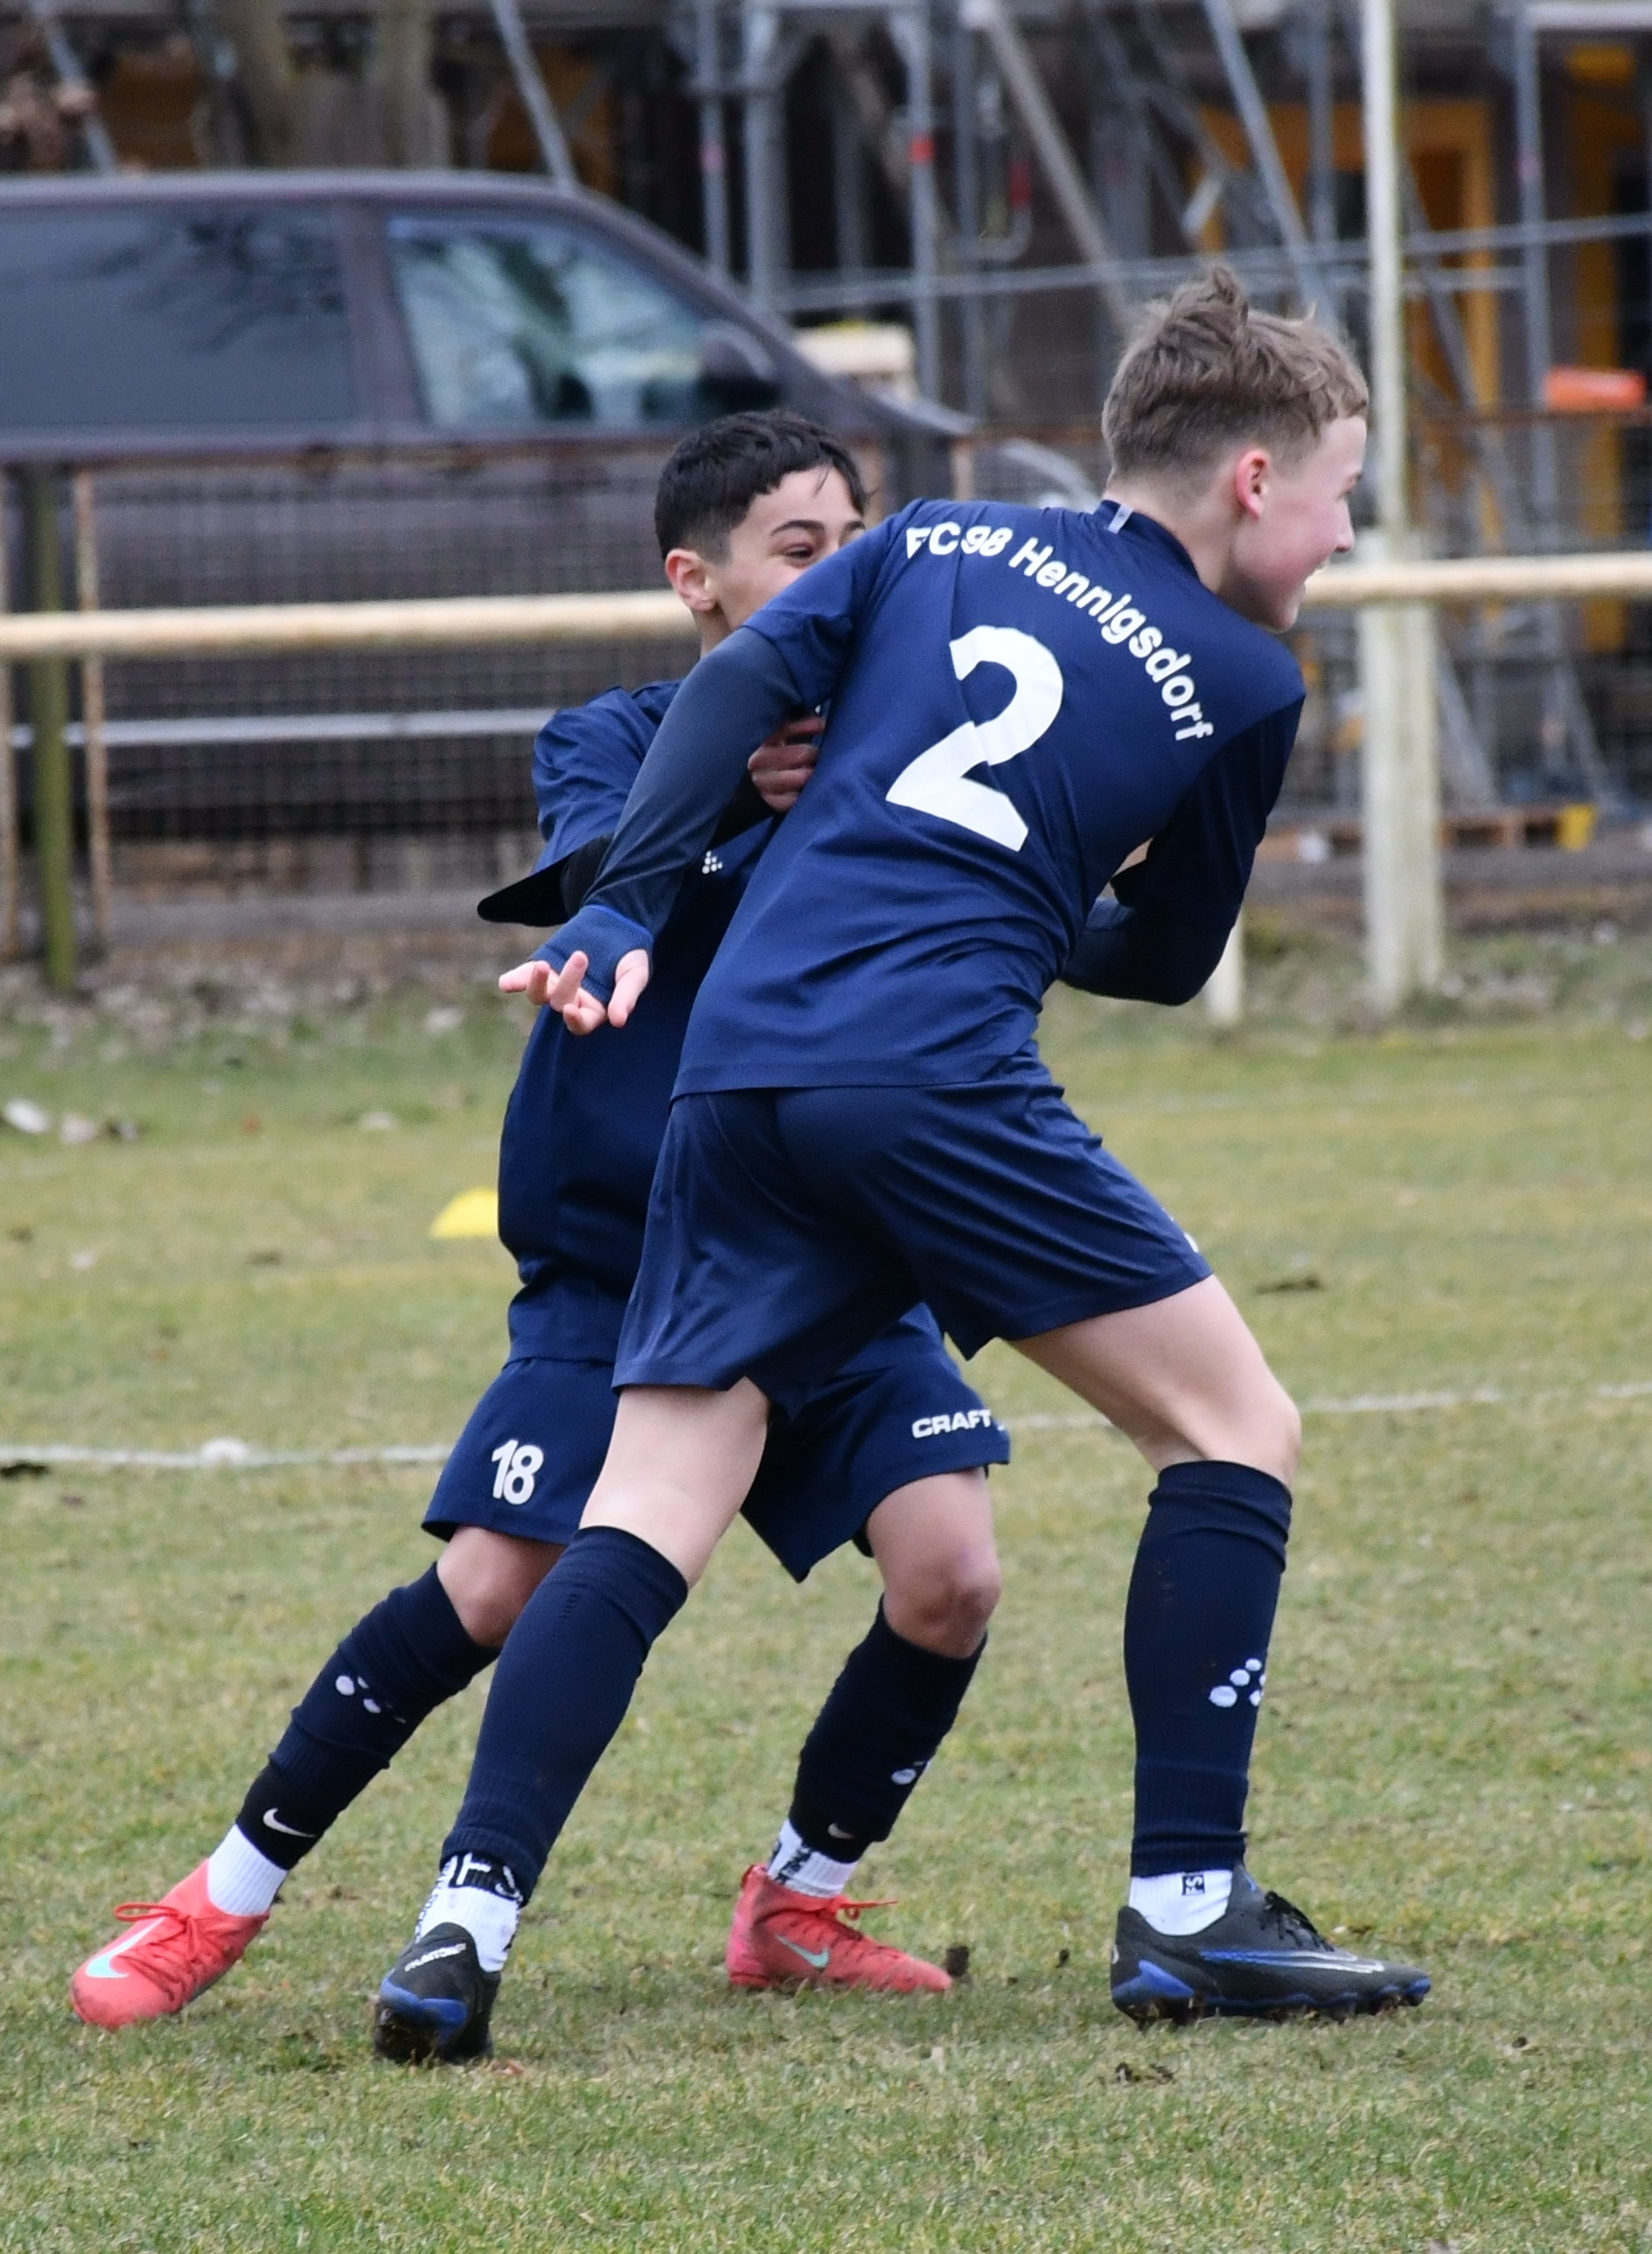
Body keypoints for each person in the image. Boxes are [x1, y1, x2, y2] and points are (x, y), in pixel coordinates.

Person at [373, 269, 1432, 2051]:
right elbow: (1171, 956)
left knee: (648, 1503)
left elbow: (736, 688)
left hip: (737, 1065)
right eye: (1339, 493)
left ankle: (455, 1931)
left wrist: (627, 904)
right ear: (1253, 480)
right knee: (1235, 1425)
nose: (1340, 534)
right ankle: (1190, 1908)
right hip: (932, 1072)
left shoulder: (934, 532)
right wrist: (1019, 899)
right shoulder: (1247, 676)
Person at [72, 412, 1013, 2055]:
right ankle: (221, 1892)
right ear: (697, 580)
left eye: (855, 543)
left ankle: (797, 1900)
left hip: (834, 1257)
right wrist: (728, 800)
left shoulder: (900, 753)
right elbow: (602, 873)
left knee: (952, 1573)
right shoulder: (615, 736)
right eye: (799, 548)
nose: (838, 575)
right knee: (495, 1582)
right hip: (627, 1265)